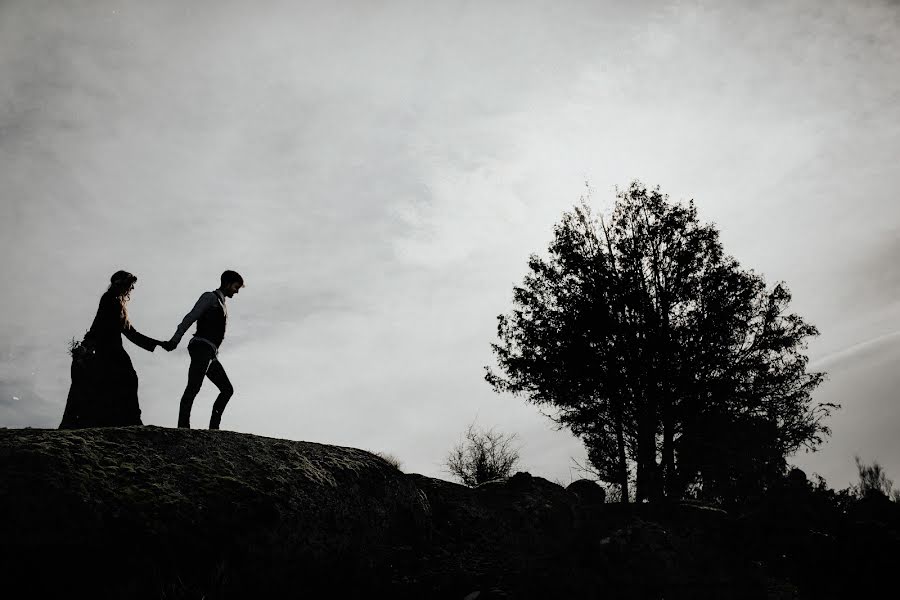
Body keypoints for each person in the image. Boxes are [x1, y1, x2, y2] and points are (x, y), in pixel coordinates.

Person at [59, 271, 164, 429]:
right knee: (126, 379)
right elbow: (98, 323)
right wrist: (87, 345)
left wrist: (157, 343)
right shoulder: (109, 299)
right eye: (130, 285)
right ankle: (129, 421)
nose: (132, 289)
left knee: (119, 382)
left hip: (110, 349)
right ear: (120, 283)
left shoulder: (116, 302)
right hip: (109, 349)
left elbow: (129, 331)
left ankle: (123, 420)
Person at [162, 270, 244, 429]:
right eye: (236, 286)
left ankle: (214, 430)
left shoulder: (222, 303)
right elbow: (190, 317)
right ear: (227, 283)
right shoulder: (210, 297)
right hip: (201, 348)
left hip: (210, 353)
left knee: (227, 389)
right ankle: (183, 428)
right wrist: (175, 340)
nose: (237, 290)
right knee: (193, 386)